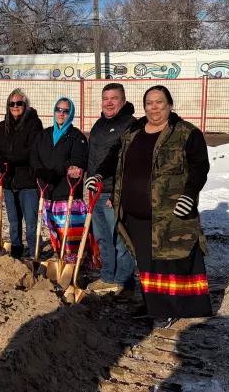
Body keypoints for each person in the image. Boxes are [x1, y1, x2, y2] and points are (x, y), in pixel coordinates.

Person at [113, 85, 212, 329]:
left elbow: (200, 167)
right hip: (136, 213)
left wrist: (189, 194)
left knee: (169, 261)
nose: (153, 107)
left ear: (169, 104)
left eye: (159, 102)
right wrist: (98, 176)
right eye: (149, 103)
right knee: (146, 263)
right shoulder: (134, 131)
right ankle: (152, 305)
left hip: (169, 212)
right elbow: (117, 160)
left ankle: (171, 308)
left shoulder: (186, 133)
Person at [83, 83, 137, 297]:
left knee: (121, 239)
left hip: (114, 192)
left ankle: (125, 283)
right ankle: (107, 277)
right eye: (105, 98)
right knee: (103, 238)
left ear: (123, 101)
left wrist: (118, 192)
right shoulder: (99, 124)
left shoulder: (130, 124)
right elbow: (93, 157)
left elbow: (130, 162)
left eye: (114, 98)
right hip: (96, 191)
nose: (108, 102)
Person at [31, 97, 99, 268]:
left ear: (71, 114)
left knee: (69, 233)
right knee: (53, 230)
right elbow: (34, 156)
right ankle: (59, 257)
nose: (61, 113)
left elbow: (78, 159)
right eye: (58, 110)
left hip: (66, 191)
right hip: (46, 191)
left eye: (65, 111)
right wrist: (40, 171)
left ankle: (73, 265)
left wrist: (55, 172)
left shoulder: (77, 137)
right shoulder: (44, 135)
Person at [0, 89, 43, 259]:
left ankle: (35, 253)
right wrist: (0, 163)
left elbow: (32, 150)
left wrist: (11, 160)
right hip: (8, 180)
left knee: (31, 223)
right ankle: (17, 249)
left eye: (19, 103)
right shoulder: (2, 126)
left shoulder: (34, 124)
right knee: (14, 220)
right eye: (12, 103)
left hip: (27, 180)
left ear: (25, 105)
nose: (15, 106)